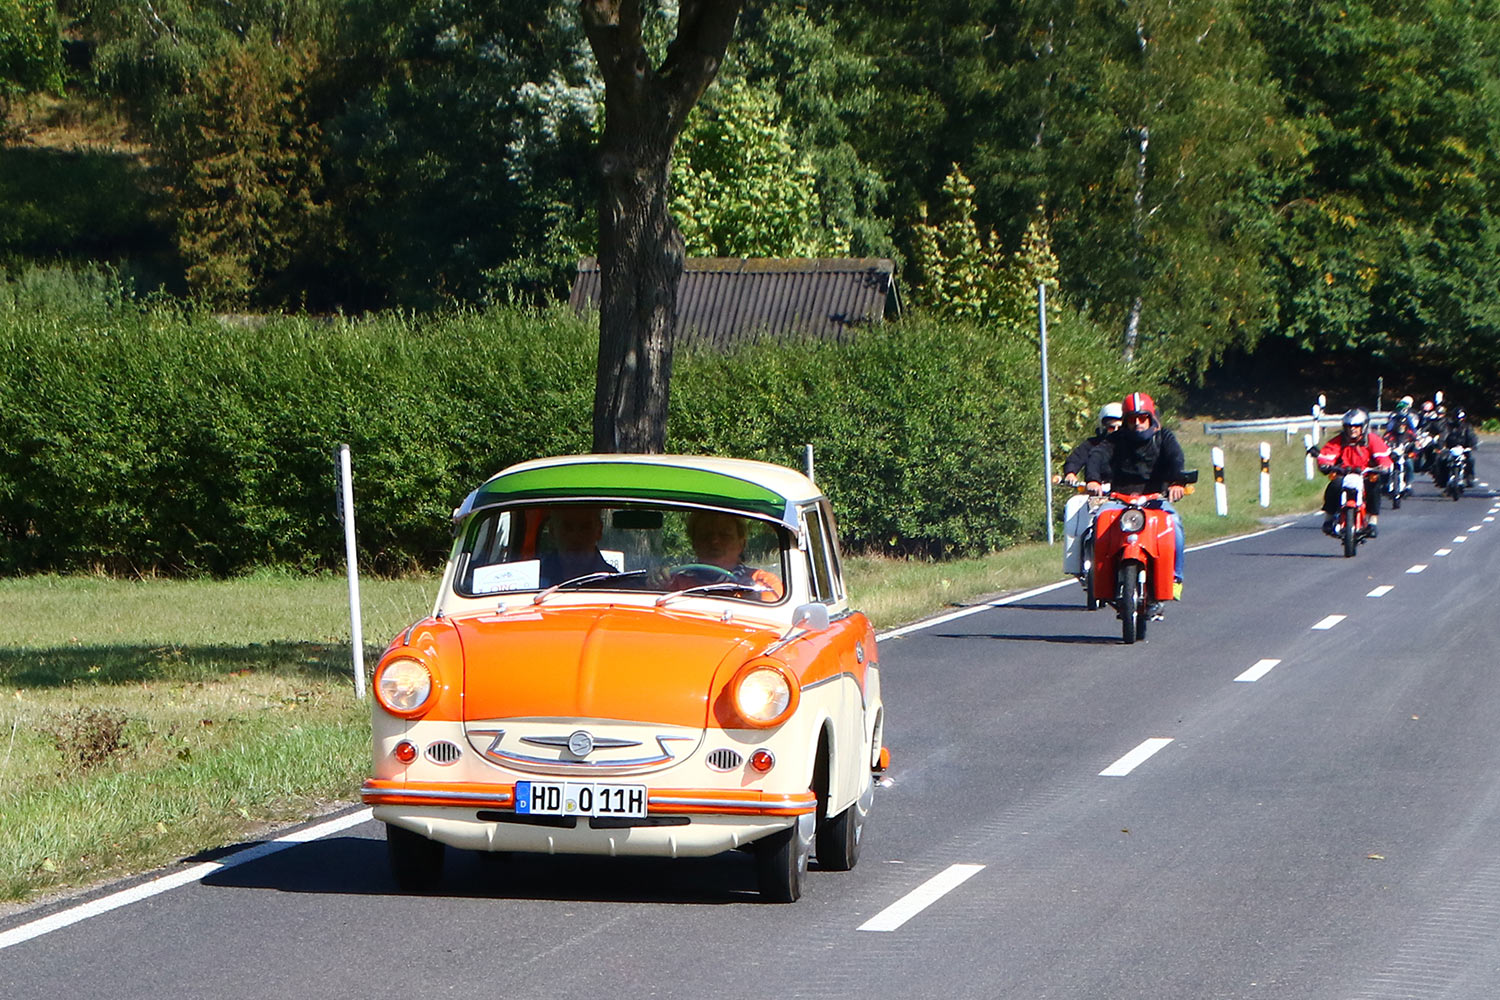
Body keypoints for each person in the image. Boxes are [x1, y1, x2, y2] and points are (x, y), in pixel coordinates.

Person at [1084, 392, 1189, 599]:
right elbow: (1097, 455)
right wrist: (1093, 479)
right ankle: (1102, 581)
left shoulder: (1164, 437)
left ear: (1151, 418)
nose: (1138, 423)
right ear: (1126, 421)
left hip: (1156, 499)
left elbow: (1176, 458)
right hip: (1118, 499)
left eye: (1143, 418)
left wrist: (1177, 482)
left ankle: (1174, 579)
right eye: (1132, 419)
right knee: (1099, 524)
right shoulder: (1114, 440)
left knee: (1174, 525)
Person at [1059, 402, 1124, 576]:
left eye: (1120, 426)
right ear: (1103, 427)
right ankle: (1077, 563)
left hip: (1124, 494)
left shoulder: (1131, 448)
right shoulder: (1092, 445)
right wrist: (1071, 473)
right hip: (1097, 493)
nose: (1116, 430)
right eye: (1111, 427)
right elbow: (1075, 459)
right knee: (1075, 507)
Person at [1316, 408, 1392, 537]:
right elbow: (1327, 455)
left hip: (1365, 474)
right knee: (1334, 485)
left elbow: (1383, 457)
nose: (1352, 429)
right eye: (1349, 426)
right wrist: (1325, 464)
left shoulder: (1372, 440)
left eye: (1356, 426)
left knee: (1374, 486)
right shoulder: (1339, 440)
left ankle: (1372, 522)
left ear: (1364, 426)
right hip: (1344, 474)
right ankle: (1328, 519)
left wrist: (1383, 466)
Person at [674, 511, 784, 600]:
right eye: (705, 535)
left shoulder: (763, 583)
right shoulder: (676, 583)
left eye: (725, 535)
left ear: (742, 544)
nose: (714, 541)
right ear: (694, 543)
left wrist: (753, 597)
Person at [538, 506, 617, 586]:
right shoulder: (535, 577)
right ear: (552, 532)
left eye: (585, 527)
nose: (576, 537)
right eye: (567, 528)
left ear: (599, 531)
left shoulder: (616, 582)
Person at [1383, 396, 1418, 494]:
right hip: (1393, 450)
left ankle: (1408, 485)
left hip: (1404, 451)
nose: (1401, 426)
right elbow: (1385, 437)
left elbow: (1415, 438)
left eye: (1403, 425)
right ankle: (1385, 483)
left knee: (1409, 463)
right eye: (1399, 424)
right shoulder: (1390, 430)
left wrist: (1413, 447)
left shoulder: (1409, 430)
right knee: (1385, 465)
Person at [1438, 408, 1479, 487]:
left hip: (1463, 449)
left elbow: (1472, 436)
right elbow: (1443, 436)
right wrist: (1441, 446)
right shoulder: (1448, 426)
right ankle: (1442, 480)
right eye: (1457, 418)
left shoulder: (1467, 427)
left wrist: (1473, 445)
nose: (1459, 420)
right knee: (1442, 460)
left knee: (1470, 460)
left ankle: (1469, 477)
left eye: (1461, 418)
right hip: (1450, 449)